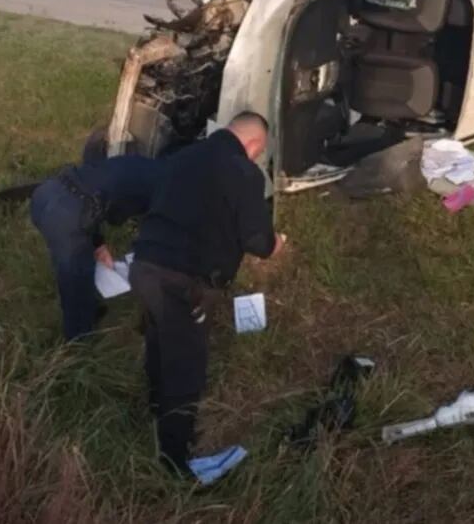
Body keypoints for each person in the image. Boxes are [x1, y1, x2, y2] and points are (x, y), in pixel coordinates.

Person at [127, 111, 287, 482]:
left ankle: (156, 409)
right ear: (254, 145)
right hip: (183, 281)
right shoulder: (244, 172)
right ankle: (174, 461)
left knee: (159, 342)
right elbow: (256, 241)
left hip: (144, 265)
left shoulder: (182, 157)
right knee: (187, 367)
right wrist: (274, 245)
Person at [28, 153, 167, 341]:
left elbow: (95, 195)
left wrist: (98, 245)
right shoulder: (166, 187)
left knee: (74, 266)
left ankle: (90, 309)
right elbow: (152, 229)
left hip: (45, 194)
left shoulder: (141, 163)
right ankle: (79, 343)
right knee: (75, 280)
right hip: (68, 216)